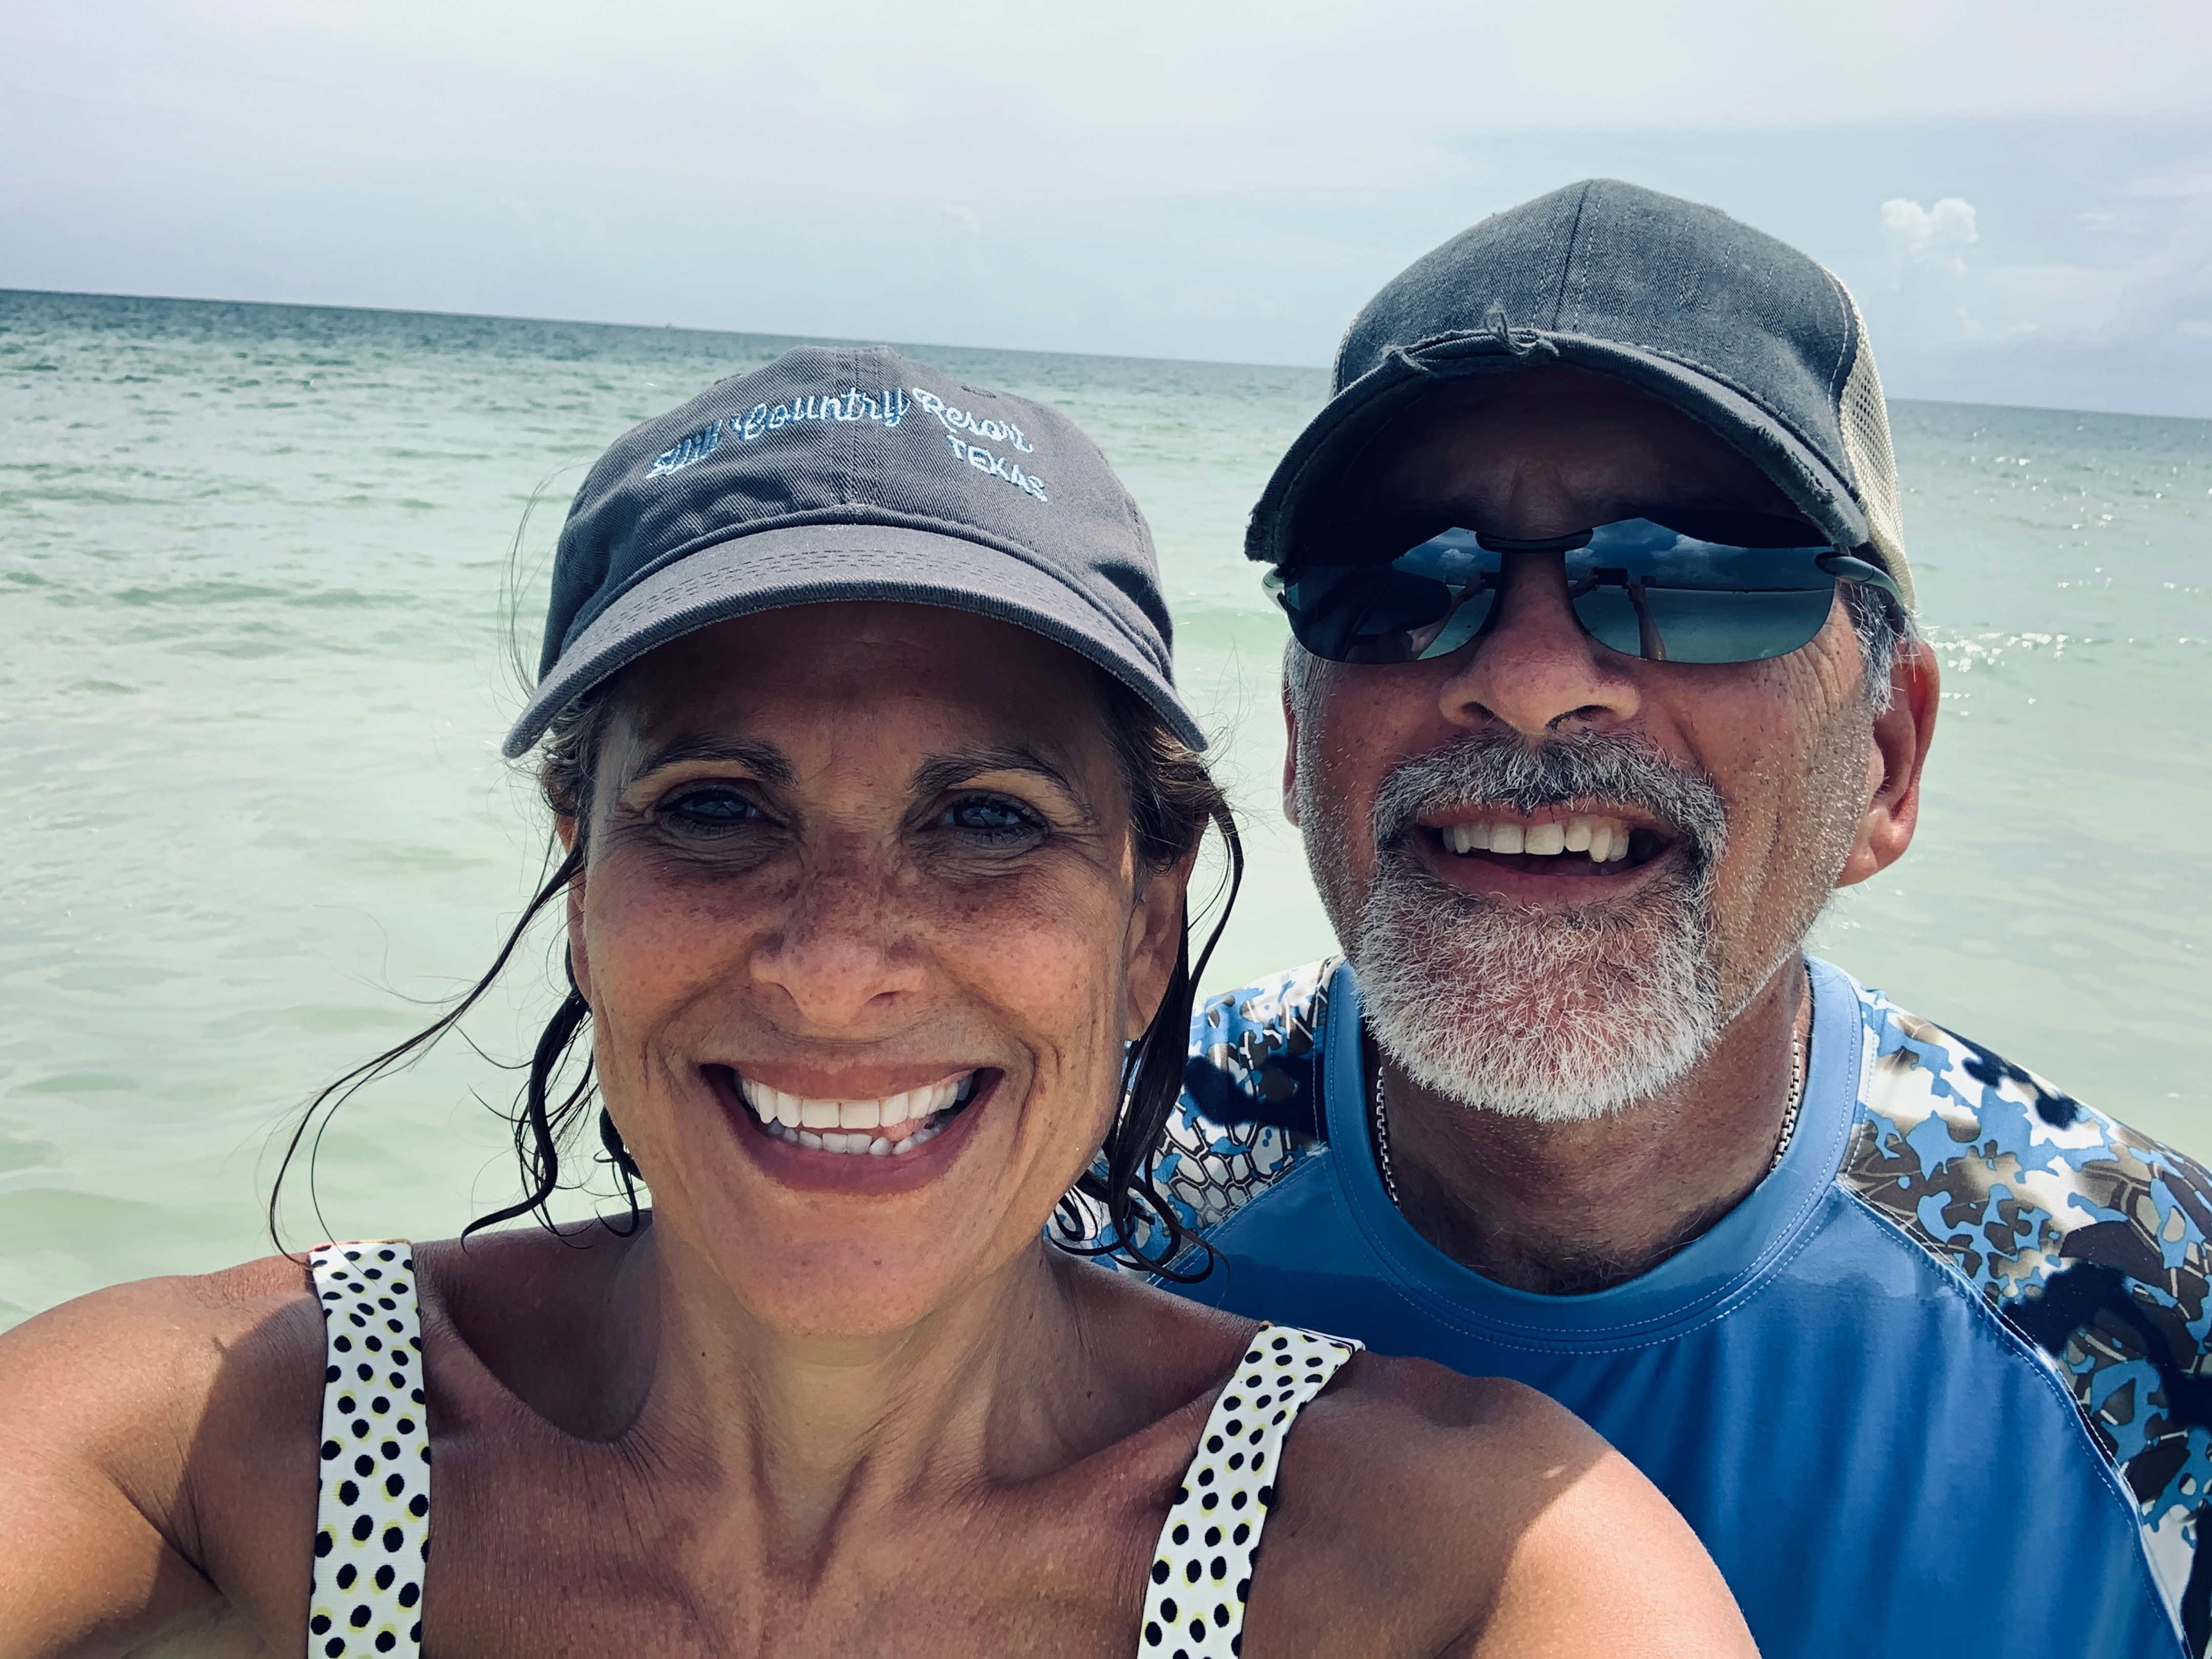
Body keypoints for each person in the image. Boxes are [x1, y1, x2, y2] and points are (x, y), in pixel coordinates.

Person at [0, 345, 1750, 1657]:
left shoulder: (1456, 1573)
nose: (839, 959)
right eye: (713, 812)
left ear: (1147, 937)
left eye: (986, 823)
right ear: (579, 891)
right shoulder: (237, 1442)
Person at [1135, 180, 2212, 1658]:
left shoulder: (2147, 1340)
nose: (1525, 678)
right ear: (1301, 739)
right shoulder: (1083, 1205)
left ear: (1886, 760)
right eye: (1398, 584)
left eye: (1698, 579)